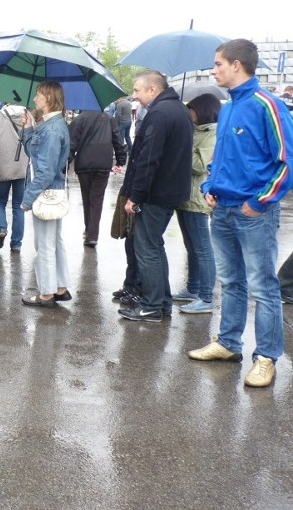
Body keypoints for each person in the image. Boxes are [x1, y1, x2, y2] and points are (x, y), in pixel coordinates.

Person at [188, 39, 293, 388]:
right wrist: (209, 187)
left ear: (236, 65)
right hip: (224, 209)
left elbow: (286, 163)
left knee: (263, 288)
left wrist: (259, 202)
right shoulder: (229, 106)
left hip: (253, 213)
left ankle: (266, 358)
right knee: (231, 282)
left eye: (218, 64)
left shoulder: (269, 105)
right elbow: (223, 156)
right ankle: (228, 343)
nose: (213, 70)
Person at [117, 70, 193, 323]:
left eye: (137, 90)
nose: (134, 95)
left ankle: (151, 305)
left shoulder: (160, 113)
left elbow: (148, 159)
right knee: (154, 247)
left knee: (147, 248)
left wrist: (135, 196)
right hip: (169, 190)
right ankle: (161, 302)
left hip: (157, 193)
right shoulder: (177, 109)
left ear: (152, 89)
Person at [19, 80, 71, 308]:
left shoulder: (51, 128)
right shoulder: (54, 124)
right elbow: (35, 153)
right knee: (54, 242)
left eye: (38, 95)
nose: (34, 99)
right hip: (53, 192)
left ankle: (47, 293)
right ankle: (60, 287)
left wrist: (27, 199)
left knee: (45, 245)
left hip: (46, 193)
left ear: (48, 98)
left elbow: (45, 171)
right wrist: (29, 128)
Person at [172, 94, 221, 314]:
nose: (189, 114)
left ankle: (206, 296)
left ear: (201, 111)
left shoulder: (212, 133)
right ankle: (192, 289)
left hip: (198, 198)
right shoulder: (196, 131)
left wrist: (182, 145)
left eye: (192, 110)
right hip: (184, 196)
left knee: (202, 249)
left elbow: (201, 165)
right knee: (191, 247)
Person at [69, 109, 127, 247]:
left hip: (84, 163)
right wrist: (121, 160)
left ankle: (89, 230)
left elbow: (72, 144)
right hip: (103, 163)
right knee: (97, 199)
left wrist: (65, 163)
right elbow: (117, 140)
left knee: (86, 198)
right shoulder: (109, 119)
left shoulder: (79, 119)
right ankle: (92, 234)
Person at [0, 103, 29, 252]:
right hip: (21, 167)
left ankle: (1, 229)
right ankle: (16, 243)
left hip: (2, 165)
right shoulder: (27, 116)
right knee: (19, 206)